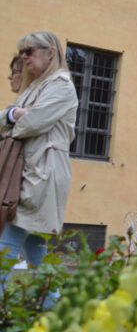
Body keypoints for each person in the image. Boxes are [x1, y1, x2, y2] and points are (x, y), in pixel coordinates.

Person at [0, 32, 79, 270]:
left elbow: (33, 123)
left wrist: (13, 121)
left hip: (43, 173)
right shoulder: (34, 87)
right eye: (21, 52)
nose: (24, 57)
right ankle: (54, 303)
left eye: (29, 51)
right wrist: (14, 114)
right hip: (27, 171)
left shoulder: (61, 86)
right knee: (37, 251)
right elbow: (7, 118)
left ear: (50, 53)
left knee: (6, 248)